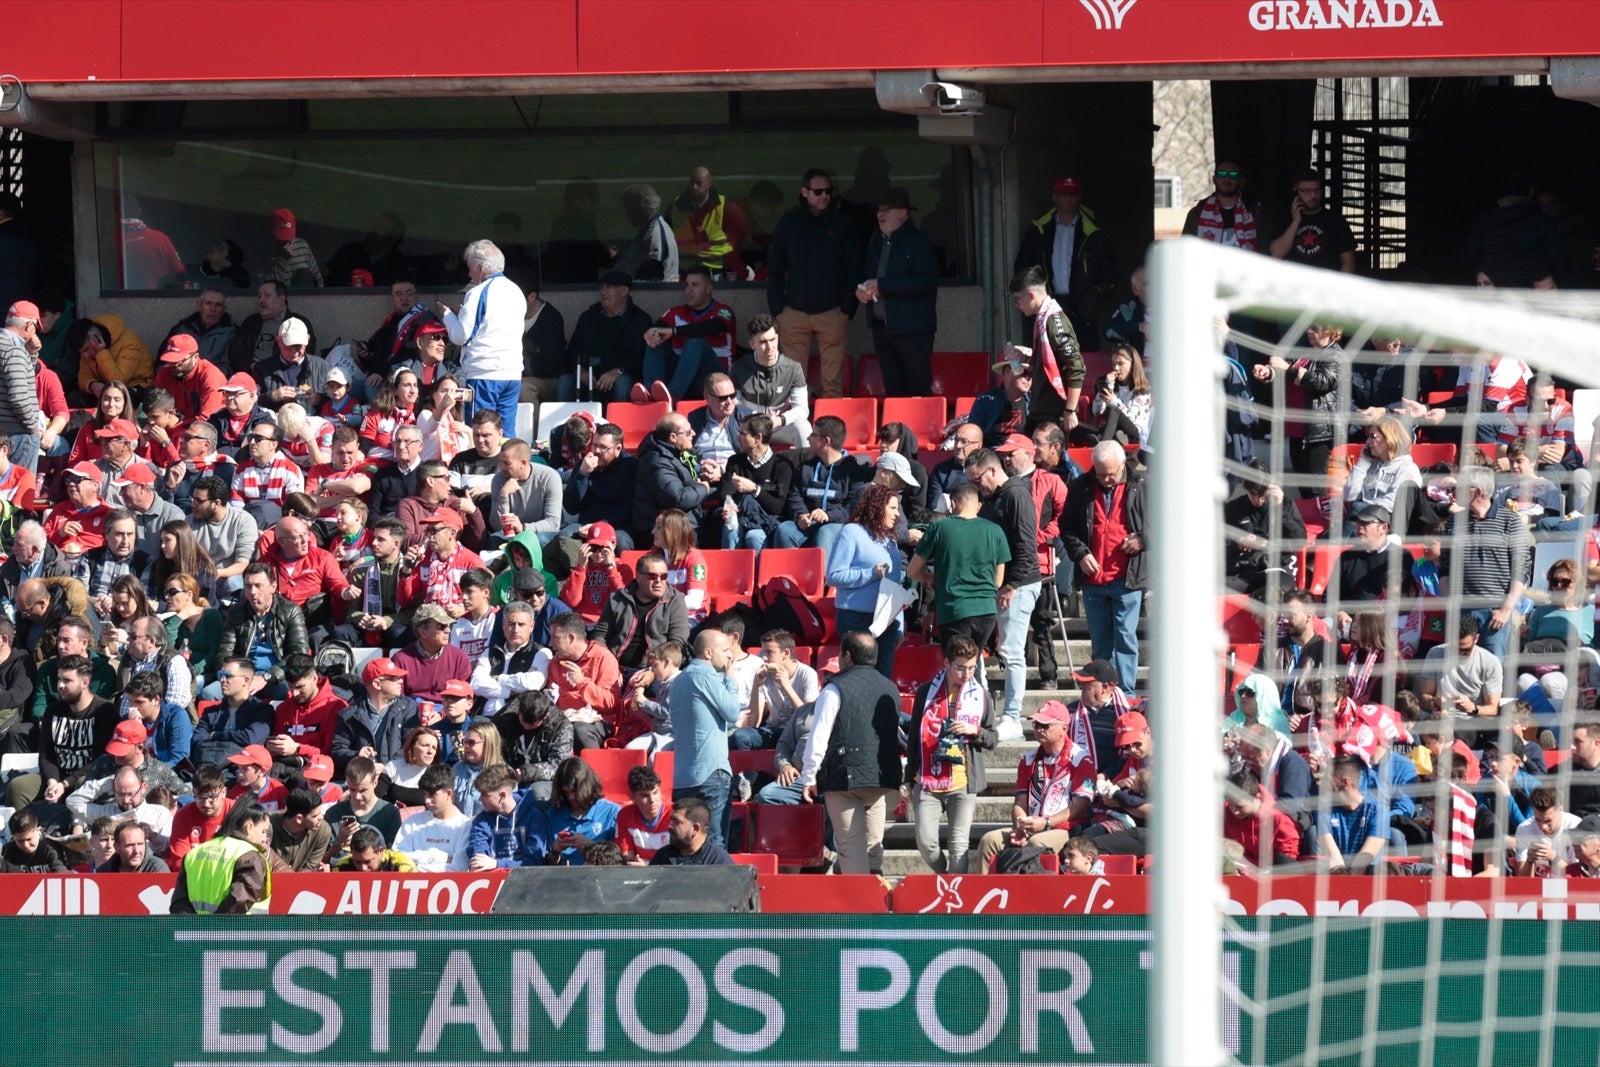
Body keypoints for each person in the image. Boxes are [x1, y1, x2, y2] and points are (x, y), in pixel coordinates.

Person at [799, 632, 908, 875]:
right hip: (882, 779)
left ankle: (861, 908)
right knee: (873, 845)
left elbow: (819, 736)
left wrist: (809, 776)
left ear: (846, 656)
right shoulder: (890, 687)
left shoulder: (834, 688)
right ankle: (877, 899)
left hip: (844, 779)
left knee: (850, 848)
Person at [963, 446, 1041, 736]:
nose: (975, 487)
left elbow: (1025, 546)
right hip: (1001, 584)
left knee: (1011, 650)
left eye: (977, 480)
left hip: (1018, 585)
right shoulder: (997, 497)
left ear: (993, 470)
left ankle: (1012, 717)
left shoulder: (1015, 495)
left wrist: (1011, 585)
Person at [905, 633, 997, 874]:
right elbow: (914, 735)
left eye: (972, 668)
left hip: (962, 781)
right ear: (946, 663)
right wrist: (906, 778)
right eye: (960, 668)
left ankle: (955, 898)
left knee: (959, 846)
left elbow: (993, 739)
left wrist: (974, 730)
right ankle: (946, 877)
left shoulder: (981, 695)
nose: (967, 674)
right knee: (926, 843)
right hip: (927, 779)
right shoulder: (927, 691)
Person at [1061, 441, 1146, 695]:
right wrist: (1080, 553)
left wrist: (1142, 539)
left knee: (1125, 637)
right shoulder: (1080, 487)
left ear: (1123, 465)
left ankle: (1125, 693)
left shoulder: (1142, 485)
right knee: (1100, 643)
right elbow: (1067, 528)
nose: (1107, 479)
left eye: (1112, 473)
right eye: (1101, 474)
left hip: (1126, 576)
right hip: (1093, 578)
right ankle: (1101, 693)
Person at [766, 168, 858, 399]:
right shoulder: (789, 223)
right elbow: (775, 268)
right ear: (805, 192)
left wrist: (847, 309)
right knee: (794, 385)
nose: (824, 196)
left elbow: (855, 267)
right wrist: (778, 310)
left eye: (828, 191)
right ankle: (798, 433)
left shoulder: (842, 224)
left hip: (833, 312)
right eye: (818, 191)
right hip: (793, 313)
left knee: (832, 383)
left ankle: (831, 433)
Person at [1012, 175, 1120, 349]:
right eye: (1063, 194)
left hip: (1083, 310)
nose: (1068, 198)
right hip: (1049, 304)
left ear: (1080, 197)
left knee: (1085, 357)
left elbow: (1111, 273)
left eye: (1072, 193)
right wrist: (1033, 297)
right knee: (1050, 356)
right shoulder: (1039, 229)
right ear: (1054, 197)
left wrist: (1093, 295)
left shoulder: (1094, 233)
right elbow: (1023, 268)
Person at [856, 187, 937, 397]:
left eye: (886, 210)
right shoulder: (875, 241)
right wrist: (860, 289)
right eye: (878, 210)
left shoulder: (919, 242)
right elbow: (865, 274)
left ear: (903, 213)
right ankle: (898, 431)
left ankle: (920, 429)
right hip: (881, 327)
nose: (879, 215)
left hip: (913, 328)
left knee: (918, 386)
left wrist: (882, 285)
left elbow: (926, 282)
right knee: (893, 387)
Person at [436, 239, 524, 431]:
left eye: (470, 268)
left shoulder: (477, 293)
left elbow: (460, 336)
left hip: (484, 372)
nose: (469, 274)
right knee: (505, 431)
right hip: (513, 373)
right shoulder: (516, 291)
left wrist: (447, 315)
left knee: (479, 432)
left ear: (481, 266)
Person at [669, 628, 741, 849]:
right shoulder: (705, 675)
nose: (730, 655)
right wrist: (730, 679)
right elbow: (733, 712)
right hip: (711, 773)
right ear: (708, 653)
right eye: (725, 650)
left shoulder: (678, 680)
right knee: (714, 844)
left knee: (685, 845)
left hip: (683, 777)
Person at [825, 483, 906, 679]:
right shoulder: (851, 532)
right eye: (893, 508)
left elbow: (894, 586)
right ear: (877, 507)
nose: (898, 515)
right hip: (855, 620)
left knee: (882, 680)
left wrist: (900, 625)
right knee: (855, 680)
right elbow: (834, 575)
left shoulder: (890, 540)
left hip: (887, 622)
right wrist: (871, 573)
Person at [636, 264, 737, 404]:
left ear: (708, 288)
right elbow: (658, 328)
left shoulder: (723, 311)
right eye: (687, 285)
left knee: (695, 342)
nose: (688, 290)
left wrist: (674, 331)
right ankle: (651, 395)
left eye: (695, 285)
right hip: (682, 377)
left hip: (713, 380)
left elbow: (711, 327)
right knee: (655, 342)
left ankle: (672, 396)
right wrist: (652, 333)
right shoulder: (676, 312)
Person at [775, 415, 868, 565]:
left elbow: (853, 507)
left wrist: (828, 515)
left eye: (813, 435)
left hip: (837, 525)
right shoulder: (805, 467)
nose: (808, 438)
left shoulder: (853, 470)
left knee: (826, 532)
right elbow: (795, 495)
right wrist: (800, 515)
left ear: (826, 441)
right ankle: (789, 580)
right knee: (785, 529)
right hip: (808, 525)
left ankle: (820, 584)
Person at [215, 564, 310, 700]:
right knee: (210, 694)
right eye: (248, 586)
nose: (253, 592)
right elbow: (224, 653)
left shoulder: (290, 611)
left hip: (278, 677)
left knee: (286, 692)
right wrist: (236, 676)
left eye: (258, 585)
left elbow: (299, 654)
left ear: (273, 587)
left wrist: (267, 676)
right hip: (242, 677)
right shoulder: (236, 613)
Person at [1009, 266, 1084, 435]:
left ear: (1030, 295)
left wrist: (1070, 411)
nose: (1016, 306)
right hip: (1040, 410)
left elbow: (1077, 367)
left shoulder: (1053, 321)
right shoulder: (1042, 320)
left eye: (1017, 300)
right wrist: (1026, 359)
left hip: (1056, 412)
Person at [561, 269, 651, 402]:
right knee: (565, 382)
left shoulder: (639, 320)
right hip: (590, 378)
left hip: (620, 377)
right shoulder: (589, 317)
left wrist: (618, 371)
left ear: (624, 291)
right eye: (602, 287)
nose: (603, 292)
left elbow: (642, 356)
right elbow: (572, 352)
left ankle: (621, 423)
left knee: (624, 383)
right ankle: (563, 423)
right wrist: (581, 371)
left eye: (609, 287)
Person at [1463, 169, 1562, 289]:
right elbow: (1558, 263)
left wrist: (1488, 270)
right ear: (1531, 191)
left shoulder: (1483, 220)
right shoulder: (1540, 221)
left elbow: (1469, 256)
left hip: (1496, 294)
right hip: (1533, 294)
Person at [632, 413, 719, 548]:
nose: (694, 434)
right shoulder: (656, 461)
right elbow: (678, 498)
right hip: (664, 530)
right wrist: (704, 487)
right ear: (673, 437)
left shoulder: (673, 452)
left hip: (679, 522)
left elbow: (682, 477)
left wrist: (702, 471)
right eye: (688, 432)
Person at [169, 806, 273, 915]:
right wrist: (215, 928)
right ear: (249, 828)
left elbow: (179, 903)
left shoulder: (195, 853)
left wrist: (196, 929)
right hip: (236, 931)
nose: (264, 838)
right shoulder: (250, 857)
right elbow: (239, 902)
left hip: (192, 930)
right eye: (263, 831)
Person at [544, 611, 623, 751]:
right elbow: (553, 696)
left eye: (555, 638)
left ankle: (593, 771)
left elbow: (610, 701)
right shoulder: (556, 662)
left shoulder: (603, 657)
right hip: (563, 718)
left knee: (579, 730)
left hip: (597, 720)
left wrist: (582, 683)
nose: (550, 643)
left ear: (571, 638)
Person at [731, 315, 811, 448]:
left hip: (778, 427)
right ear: (752, 344)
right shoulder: (738, 368)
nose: (770, 346)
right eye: (763, 342)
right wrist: (755, 421)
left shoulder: (793, 368)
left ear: (778, 338)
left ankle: (807, 468)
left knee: (803, 426)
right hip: (749, 429)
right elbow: (734, 406)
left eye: (772, 340)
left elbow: (802, 409)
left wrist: (779, 420)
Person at [733, 629, 820, 751]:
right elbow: (753, 720)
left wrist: (786, 686)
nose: (764, 658)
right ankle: (750, 770)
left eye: (769, 653)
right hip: (773, 731)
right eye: (763, 652)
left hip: (797, 732)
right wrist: (756, 686)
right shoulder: (765, 674)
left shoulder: (807, 674)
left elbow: (807, 717)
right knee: (740, 737)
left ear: (786, 653)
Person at [667, 165, 748, 279]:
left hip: (715, 273)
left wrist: (740, 273)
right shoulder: (675, 207)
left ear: (709, 183)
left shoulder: (727, 208)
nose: (694, 187)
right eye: (692, 183)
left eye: (699, 183)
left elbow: (735, 245)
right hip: (683, 273)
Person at [1269, 169, 1358, 272]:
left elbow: (1348, 260)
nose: (1314, 195)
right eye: (1307, 191)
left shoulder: (1335, 220)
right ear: (1295, 192)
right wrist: (1295, 222)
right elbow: (1276, 254)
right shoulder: (1285, 218)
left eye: (1317, 190)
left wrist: (1339, 286)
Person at [392, 763, 473, 871]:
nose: (427, 801)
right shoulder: (412, 822)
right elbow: (397, 858)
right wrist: (437, 857)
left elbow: (458, 868)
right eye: (425, 794)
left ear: (449, 793)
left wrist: (415, 867)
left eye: (432, 795)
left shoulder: (465, 826)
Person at [466, 763, 548, 869]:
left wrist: (496, 864)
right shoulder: (482, 820)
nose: (480, 799)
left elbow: (533, 863)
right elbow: (478, 857)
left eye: (485, 795)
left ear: (502, 795)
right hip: (492, 881)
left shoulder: (534, 818)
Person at [542, 757, 621, 865]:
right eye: (566, 792)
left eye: (575, 792)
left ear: (587, 786)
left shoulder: (611, 812)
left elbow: (619, 862)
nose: (571, 797)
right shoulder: (553, 814)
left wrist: (591, 847)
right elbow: (545, 865)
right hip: (563, 878)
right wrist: (555, 851)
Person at [1316, 754, 1387, 873]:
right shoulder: (1324, 811)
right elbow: (1335, 861)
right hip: (1338, 875)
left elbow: (1362, 862)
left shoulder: (1378, 812)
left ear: (1345, 782)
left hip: (1368, 879)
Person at [1223, 769, 1304, 870]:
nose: (1234, 811)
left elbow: (1288, 857)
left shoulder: (1278, 818)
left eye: (1240, 807)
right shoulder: (1225, 811)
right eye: (1231, 805)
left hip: (1269, 875)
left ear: (1258, 797)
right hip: (1238, 870)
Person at [1183, 159, 1271, 252]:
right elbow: (1185, 252)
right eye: (1222, 174)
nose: (1227, 178)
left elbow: (1269, 252)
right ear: (1215, 179)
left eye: (1233, 175)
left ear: (1241, 181)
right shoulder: (1197, 214)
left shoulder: (1255, 212)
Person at [487, 439, 563, 544]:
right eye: (500, 461)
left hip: (540, 534)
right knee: (493, 542)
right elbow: (496, 526)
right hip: (511, 535)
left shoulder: (549, 477)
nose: (501, 467)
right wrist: (503, 496)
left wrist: (523, 527)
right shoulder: (499, 479)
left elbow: (553, 523)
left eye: (507, 463)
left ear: (523, 463)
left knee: (538, 541)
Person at [0, 300, 45, 473]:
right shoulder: (14, 350)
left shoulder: (13, 348)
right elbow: (19, 396)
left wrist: (31, 354)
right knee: (20, 494)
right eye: (35, 327)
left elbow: (22, 375)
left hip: (4, 431)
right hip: (18, 435)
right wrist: (32, 426)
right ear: (28, 326)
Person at [1085, 343, 1153, 453]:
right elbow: (1097, 411)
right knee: (1075, 425)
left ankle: (1102, 446)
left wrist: (1114, 401)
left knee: (1113, 410)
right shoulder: (1113, 384)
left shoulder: (1142, 389)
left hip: (1135, 432)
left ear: (1132, 364)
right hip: (1113, 429)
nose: (1116, 368)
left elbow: (1134, 420)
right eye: (1113, 364)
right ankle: (1105, 437)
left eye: (1120, 364)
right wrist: (1106, 386)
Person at [324, 756, 403, 850]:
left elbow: (393, 855)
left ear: (375, 783)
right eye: (352, 789)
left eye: (363, 790)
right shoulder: (333, 814)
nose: (357, 796)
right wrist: (339, 841)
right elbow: (322, 859)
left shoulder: (390, 813)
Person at [166, 764, 234, 867]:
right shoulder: (183, 816)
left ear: (223, 792)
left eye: (212, 797)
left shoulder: (235, 812)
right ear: (193, 792)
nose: (206, 803)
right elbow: (179, 861)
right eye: (200, 797)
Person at [613, 182, 678, 281]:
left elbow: (653, 280)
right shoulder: (647, 229)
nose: (626, 215)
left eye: (629, 209)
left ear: (640, 209)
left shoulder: (656, 235)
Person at [969, 354, 1034, 447]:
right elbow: (972, 434)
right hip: (991, 453)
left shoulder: (1034, 401)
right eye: (1024, 372)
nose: (1029, 378)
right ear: (1007, 372)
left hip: (1023, 452)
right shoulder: (985, 400)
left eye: (1031, 374)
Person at [649, 796, 734, 866]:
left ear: (695, 829)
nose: (670, 826)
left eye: (676, 822)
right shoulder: (663, 856)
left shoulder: (718, 862)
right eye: (671, 820)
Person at [616, 765, 673, 863]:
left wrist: (648, 871)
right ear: (632, 797)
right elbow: (626, 857)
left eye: (655, 792)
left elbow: (681, 859)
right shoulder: (624, 815)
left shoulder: (674, 815)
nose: (652, 800)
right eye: (645, 795)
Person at [265, 207, 323, 287]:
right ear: (270, 231)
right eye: (280, 238)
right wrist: (282, 260)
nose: (286, 242)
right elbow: (266, 289)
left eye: (289, 236)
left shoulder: (302, 245)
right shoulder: (260, 253)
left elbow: (317, 278)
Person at [0, 809, 69, 873]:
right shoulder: (11, 849)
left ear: (38, 830)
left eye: (29, 839)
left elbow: (62, 876)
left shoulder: (51, 847)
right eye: (20, 841)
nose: (26, 845)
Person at [102, 821, 169, 874]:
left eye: (140, 844)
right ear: (116, 848)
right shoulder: (105, 871)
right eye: (130, 845)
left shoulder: (157, 869)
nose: (136, 851)